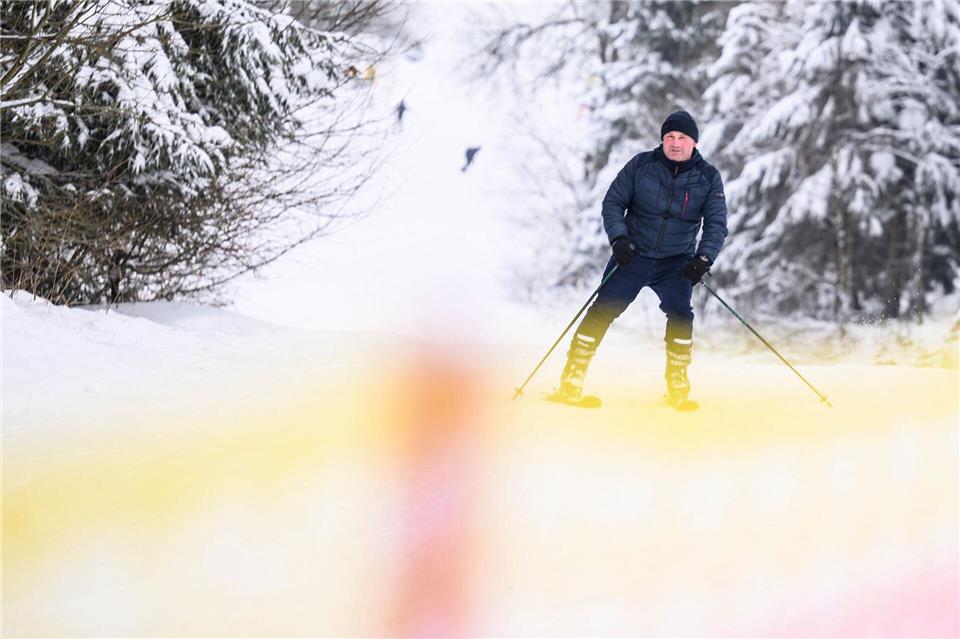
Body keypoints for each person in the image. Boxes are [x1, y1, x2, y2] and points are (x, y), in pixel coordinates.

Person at [554, 110, 728, 410]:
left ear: (694, 143)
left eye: (682, 138)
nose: (675, 143)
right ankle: (572, 377)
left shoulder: (708, 178)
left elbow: (716, 223)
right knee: (602, 311)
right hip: (632, 256)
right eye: (669, 137)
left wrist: (703, 258)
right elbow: (613, 202)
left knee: (681, 316)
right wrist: (619, 239)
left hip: (676, 263)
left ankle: (677, 384)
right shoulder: (641, 165)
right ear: (662, 140)